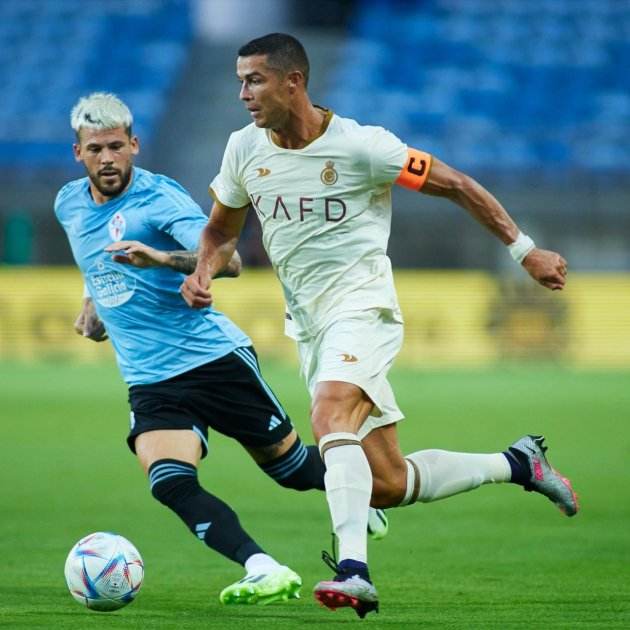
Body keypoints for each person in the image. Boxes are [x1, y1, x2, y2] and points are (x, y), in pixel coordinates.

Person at [176, 34, 579, 618]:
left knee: (329, 415)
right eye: (239, 81)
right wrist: (205, 272)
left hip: (363, 309)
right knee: (386, 481)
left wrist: (526, 251)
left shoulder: (364, 147)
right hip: (311, 327)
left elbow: (457, 185)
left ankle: (354, 570)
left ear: (294, 82)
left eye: (255, 80)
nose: (243, 93)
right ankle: (518, 463)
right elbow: (220, 230)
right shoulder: (243, 149)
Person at [55, 92, 388, 608]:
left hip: (212, 361)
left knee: (292, 469)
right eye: (95, 149)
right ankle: (264, 567)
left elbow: (227, 260)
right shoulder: (68, 203)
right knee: (168, 481)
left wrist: (162, 259)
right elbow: (92, 257)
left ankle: (356, 490)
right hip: (149, 378)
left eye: (116, 146)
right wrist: (92, 301)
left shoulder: (160, 200)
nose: (107, 158)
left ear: (134, 145)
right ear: (78, 153)